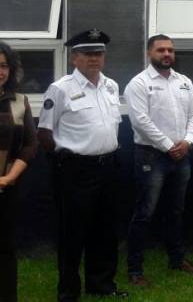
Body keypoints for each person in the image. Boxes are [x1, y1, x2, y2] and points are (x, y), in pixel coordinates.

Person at [37, 29, 126, 301]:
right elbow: (44, 133)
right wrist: (64, 160)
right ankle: (68, 291)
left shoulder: (111, 86)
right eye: (87, 53)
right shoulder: (60, 89)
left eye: (99, 53)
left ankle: (102, 284)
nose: (94, 58)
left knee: (106, 229)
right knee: (72, 232)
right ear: (74, 58)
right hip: (76, 170)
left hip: (108, 166)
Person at [124, 35, 193, 287]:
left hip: (182, 154)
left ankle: (177, 259)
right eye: (161, 50)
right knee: (144, 213)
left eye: (170, 50)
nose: (167, 54)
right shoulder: (139, 83)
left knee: (176, 211)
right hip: (151, 156)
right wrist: (169, 146)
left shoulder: (184, 82)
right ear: (149, 53)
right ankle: (135, 270)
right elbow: (140, 122)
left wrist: (188, 141)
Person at [0, 42, 38, 302]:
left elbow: (30, 145)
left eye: (4, 66)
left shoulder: (19, 102)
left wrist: (9, 178)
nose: (0, 71)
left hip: (7, 187)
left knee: (5, 249)